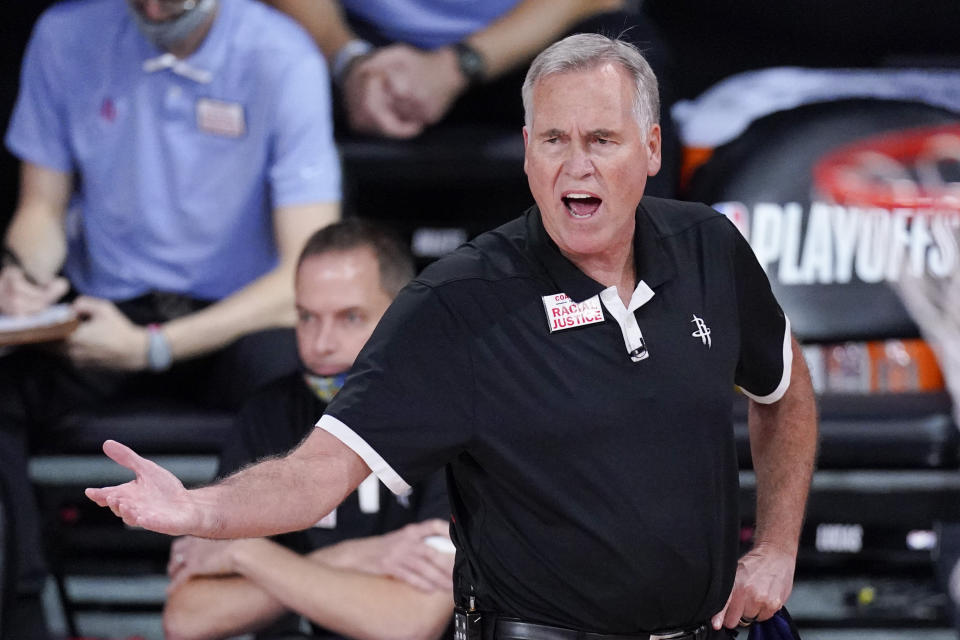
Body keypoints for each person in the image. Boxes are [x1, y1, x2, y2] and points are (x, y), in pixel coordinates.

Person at [88, 33, 818, 640]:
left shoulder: (710, 248)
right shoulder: (457, 304)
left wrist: (778, 547)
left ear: (652, 148)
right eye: (555, 140)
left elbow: (782, 389)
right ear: (528, 151)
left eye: (602, 139)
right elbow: (317, 474)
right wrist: (202, 510)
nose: (576, 166)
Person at [0, 0, 339, 636]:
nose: (158, 8)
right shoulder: (64, 35)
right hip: (107, 310)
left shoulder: (281, 55)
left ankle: (276, 610)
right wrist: (24, 276)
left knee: (309, 383)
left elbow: (305, 264)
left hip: (238, 315)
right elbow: (41, 208)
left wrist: (154, 347)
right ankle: (19, 615)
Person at [162, 219, 454, 640]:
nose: (321, 344)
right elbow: (189, 616)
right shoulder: (268, 412)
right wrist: (360, 557)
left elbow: (407, 622)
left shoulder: (451, 416)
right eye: (307, 318)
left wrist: (246, 555)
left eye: (350, 318)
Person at [265, 0, 679, 198]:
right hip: (355, 43)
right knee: (245, 51)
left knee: (625, 67)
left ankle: (630, 303)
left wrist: (457, 65)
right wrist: (347, 59)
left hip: (527, 36)